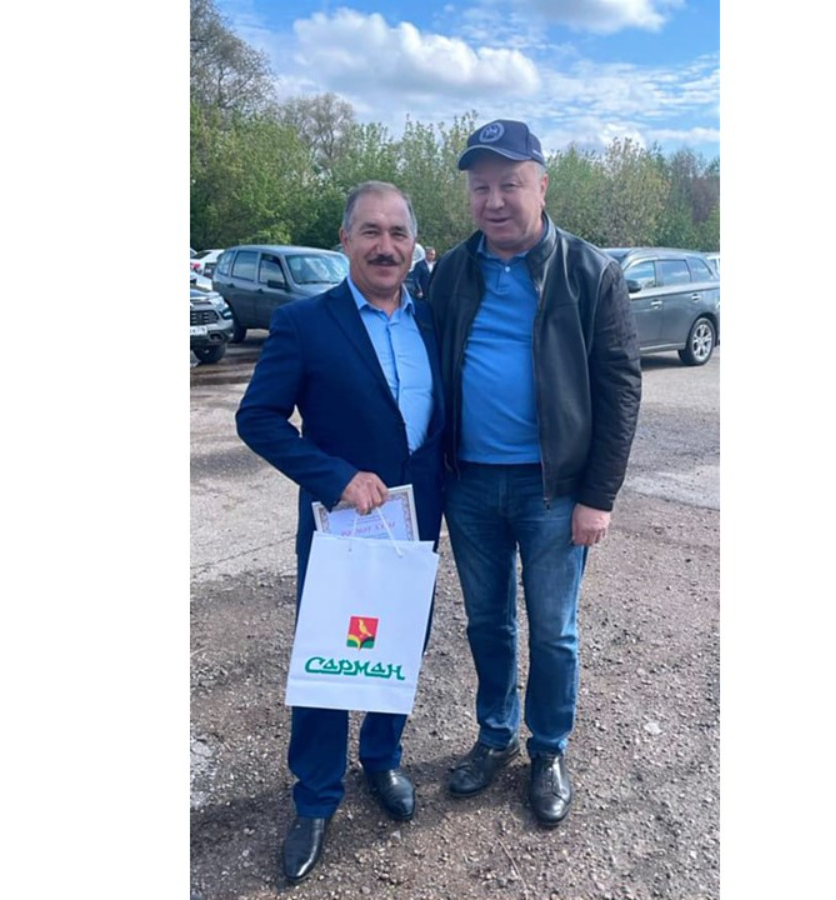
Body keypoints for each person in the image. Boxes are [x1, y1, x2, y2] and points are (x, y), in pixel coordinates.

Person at [425, 119, 641, 828]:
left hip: (555, 490)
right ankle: (495, 734)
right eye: (480, 187)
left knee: (553, 631)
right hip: (470, 485)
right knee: (487, 623)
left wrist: (598, 496)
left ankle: (548, 749)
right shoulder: (452, 271)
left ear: (542, 186)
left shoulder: (591, 272)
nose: (493, 200)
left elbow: (620, 388)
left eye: (510, 184)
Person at [236, 181, 444, 883]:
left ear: (413, 245)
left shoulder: (432, 321)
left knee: (402, 644)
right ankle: (316, 797)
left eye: (398, 233)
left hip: (416, 523)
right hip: (343, 526)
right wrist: (334, 476)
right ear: (345, 240)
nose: (386, 246)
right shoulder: (304, 323)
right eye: (371, 232)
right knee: (330, 655)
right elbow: (257, 419)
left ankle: (382, 760)